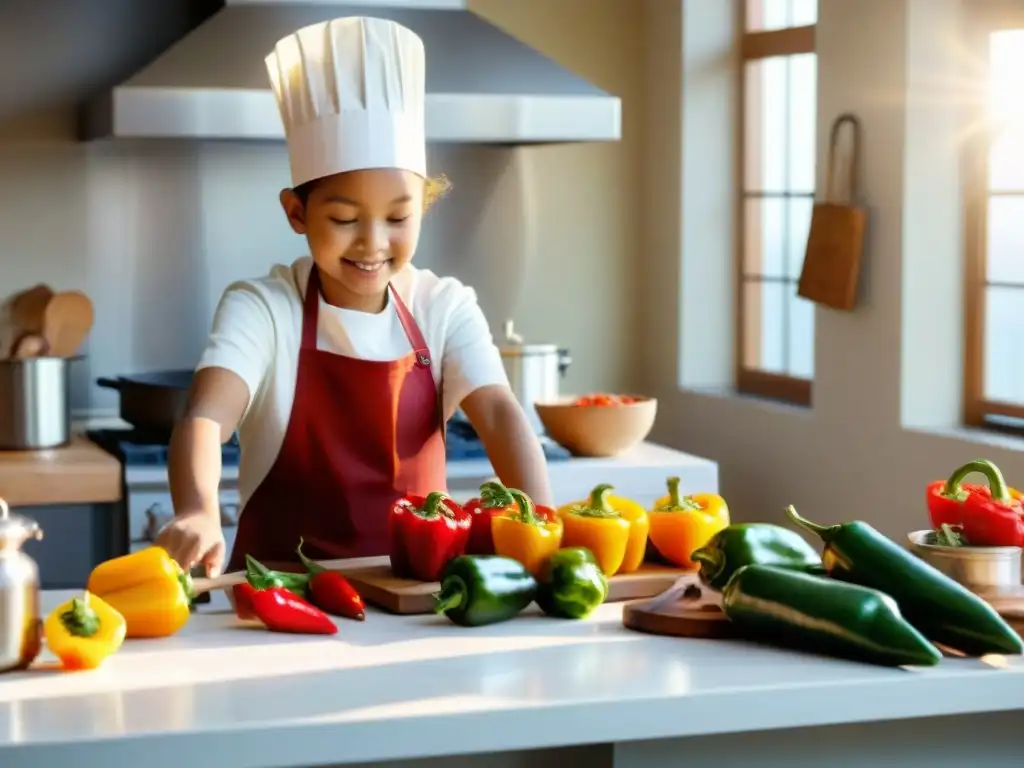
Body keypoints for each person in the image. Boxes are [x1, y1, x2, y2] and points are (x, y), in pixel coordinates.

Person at [156, 16, 552, 578]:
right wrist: (196, 509)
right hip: (278, 601)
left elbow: (499, 414)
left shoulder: (445, 307)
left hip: (420, 600)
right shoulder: (264, 308)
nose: (372, 242)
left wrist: (542, 523)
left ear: (424, 209)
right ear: (297, 213)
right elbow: (204, 415)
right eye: (344, 218)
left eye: (398, 218)